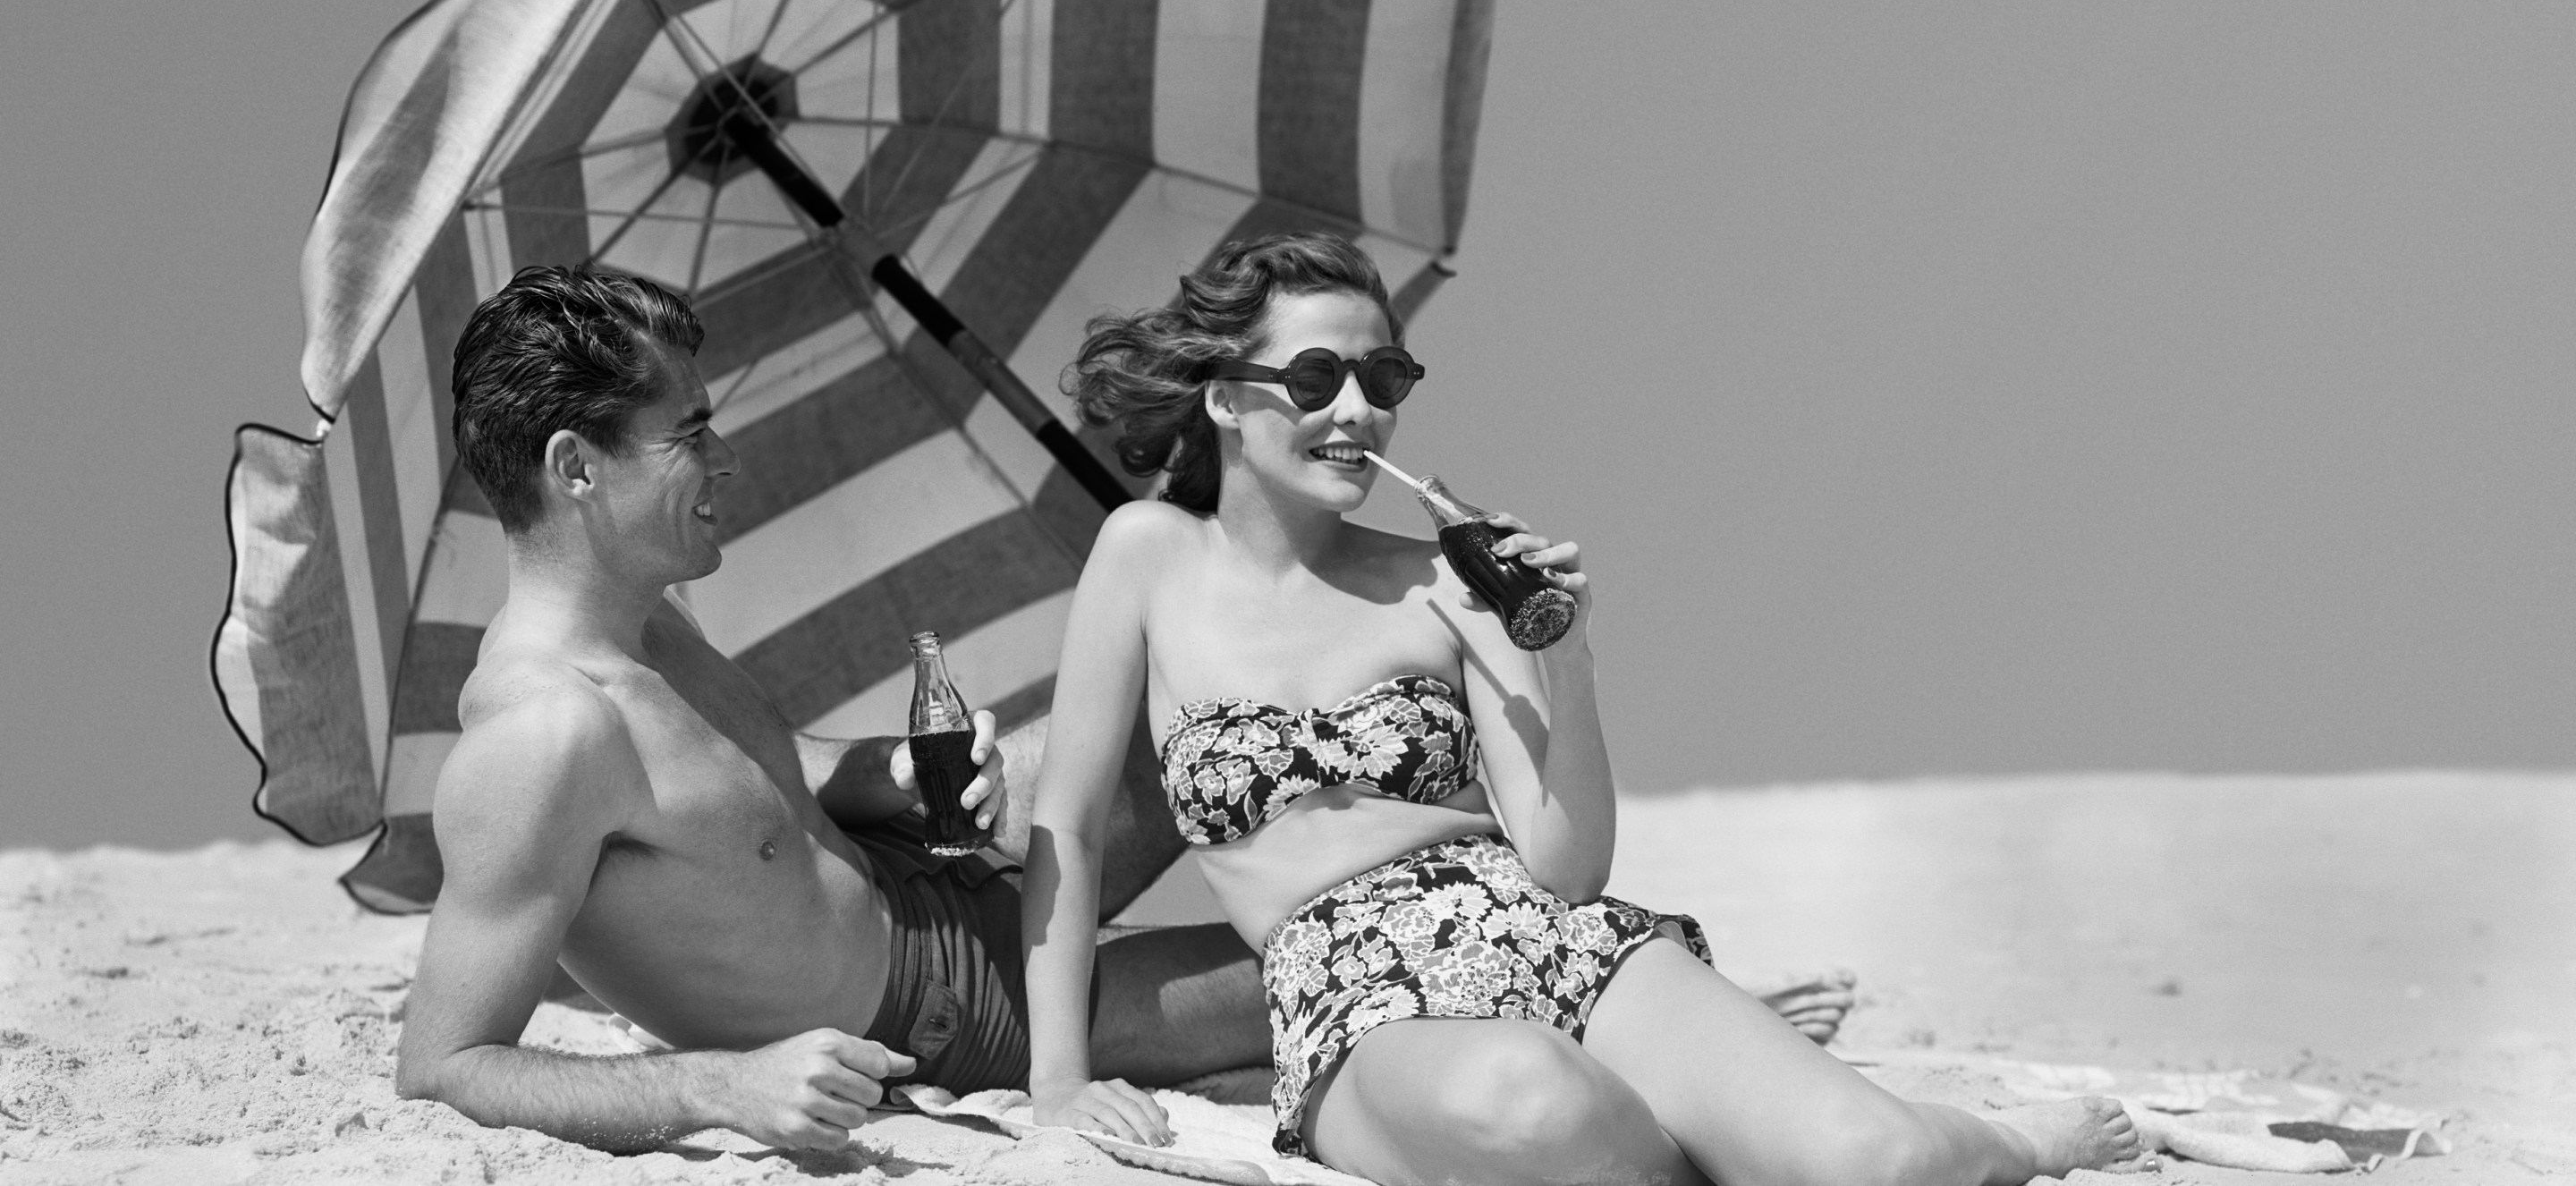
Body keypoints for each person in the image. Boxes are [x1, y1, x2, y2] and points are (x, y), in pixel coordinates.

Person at [1021, 233, 2144, 1185]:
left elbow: (1566, 865)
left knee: (1875, 1163)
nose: (1358, 410)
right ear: (1225, 396)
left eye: (1387, 379)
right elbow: (1065, 831)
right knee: (1529, 1103)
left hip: (1542, 933)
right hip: (1350, 989)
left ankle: (2010, 1142)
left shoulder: (1446, 587)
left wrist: (1566, 655)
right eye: (1315, 380)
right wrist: (1059, 1080)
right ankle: (1707, 1143)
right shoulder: (1148, 557)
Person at [393, 267, 1265, 1152]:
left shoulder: (647, 615)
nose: (724, 456)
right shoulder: (541, 740)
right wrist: (722, 1084)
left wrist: (889, 773)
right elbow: (446, 1064)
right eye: (690, 432)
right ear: (577, 467)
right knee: (1334, 971)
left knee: (1233, 669)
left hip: (924, 854)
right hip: (952, 1002)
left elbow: (756, 774)